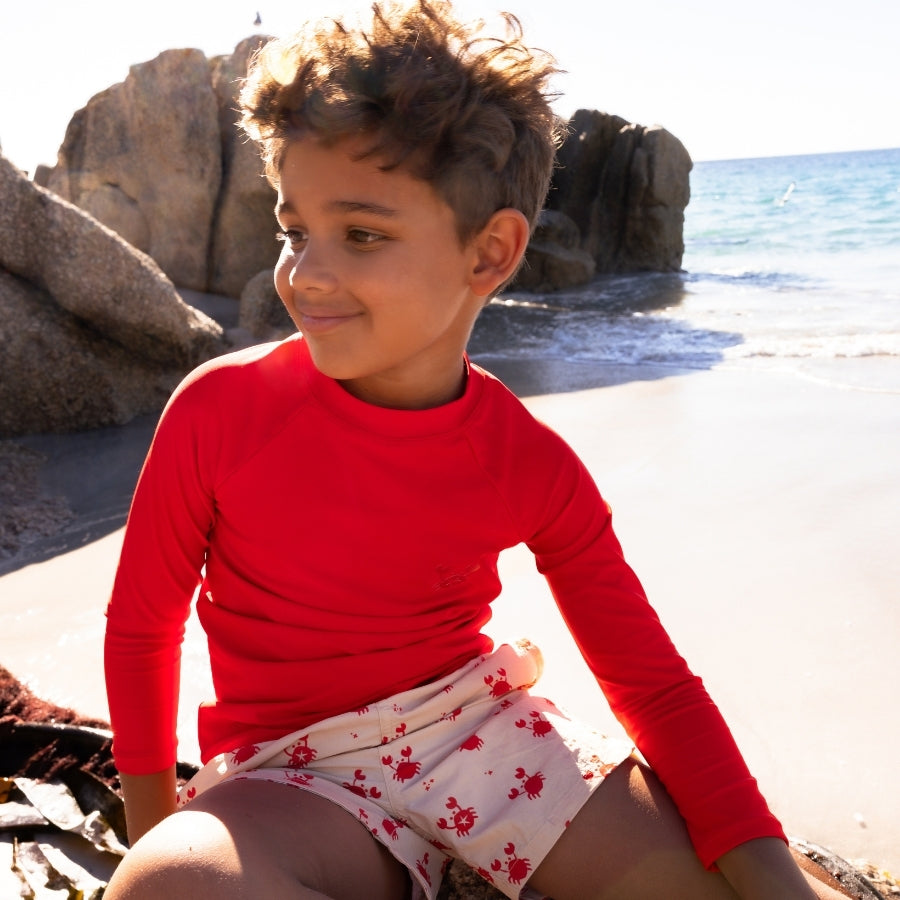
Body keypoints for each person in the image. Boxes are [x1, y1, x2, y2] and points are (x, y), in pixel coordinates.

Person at [103, 3, 846, 899]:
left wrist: (775, 876)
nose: (303, 273)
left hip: (483, 736)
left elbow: (652, 684)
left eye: (362, 234)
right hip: (291, 773)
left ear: (489, 251)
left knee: (738, 888)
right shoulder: (220, 411)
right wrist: (153, 837)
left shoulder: (527, 463)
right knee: (171, 888)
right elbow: (144, 631)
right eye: (293, 230)